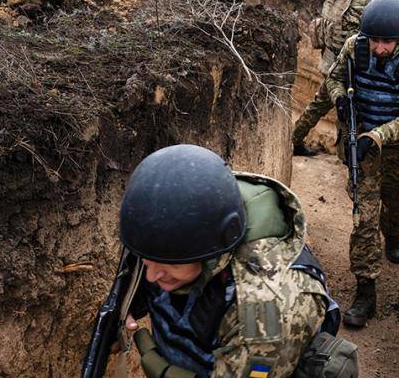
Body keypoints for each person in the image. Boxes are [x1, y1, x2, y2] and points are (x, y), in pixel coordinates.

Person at [116, 144, 347, 377]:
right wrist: (127, 306)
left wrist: (156, 362)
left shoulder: (268, 310)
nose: (151, 276)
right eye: (147, 260)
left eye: (170, 264)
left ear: (211, 253)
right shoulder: (175, 219)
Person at [325, 0, 399, 327]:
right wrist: (340, 100)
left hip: (397, 147)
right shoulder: (354, 47)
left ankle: (394, 231)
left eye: (386, 41)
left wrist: (377, 137)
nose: (378, 48)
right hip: (363, 145)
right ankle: (366, 292)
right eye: (374, 40)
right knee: (364, 218)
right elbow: (332, 79)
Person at [291, 0, 385, 156]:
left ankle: (295, 140)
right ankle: (348, 156)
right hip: (350, 67)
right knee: (349, 111)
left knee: (318, 105)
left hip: (330, 59)